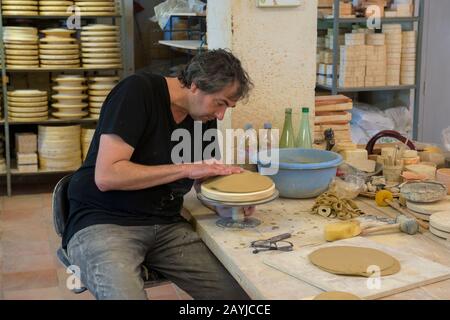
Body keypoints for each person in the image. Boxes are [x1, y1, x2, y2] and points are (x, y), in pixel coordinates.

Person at [62, 49, 254, 300]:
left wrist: (225, 206)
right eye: (220, 103)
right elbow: (107, 175)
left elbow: (201, 183)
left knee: (239, 296)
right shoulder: (137, 92)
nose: (220, 115)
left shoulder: (202, 117)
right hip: (104, 220)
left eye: (228, 107)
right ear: (195, 85)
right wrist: (186, 168)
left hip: (166, 224)